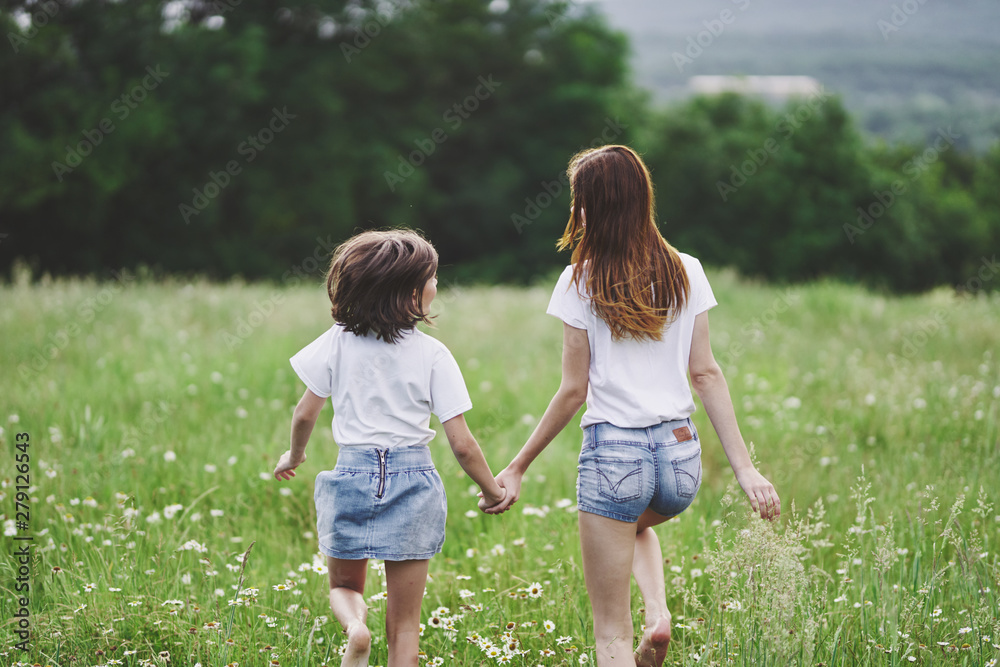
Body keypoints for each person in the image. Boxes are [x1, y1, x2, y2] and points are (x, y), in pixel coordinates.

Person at [486, 145, 780, 667]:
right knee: (633, 526)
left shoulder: (578, 281)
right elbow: (706, 373)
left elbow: (573, 391)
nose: (573, 209)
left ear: (593, 206)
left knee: (610, 635)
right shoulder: (687, 269)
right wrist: (745, 469)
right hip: (680, 459)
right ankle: (658, 614)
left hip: (614, 458)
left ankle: (646, 624)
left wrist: (517, 465)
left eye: (578, 199)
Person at [273, 229, 506, 667]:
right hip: (413, 482)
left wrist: (295, 455)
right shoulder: (433, 355)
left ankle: (356, 629)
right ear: (411, 293)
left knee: (344, 586)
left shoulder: (337, 341)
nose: (436, 285)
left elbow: (304, 415)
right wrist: (492, 490)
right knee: (404, 625)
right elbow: (462, 444)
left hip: (351, 474)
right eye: (431, 278)